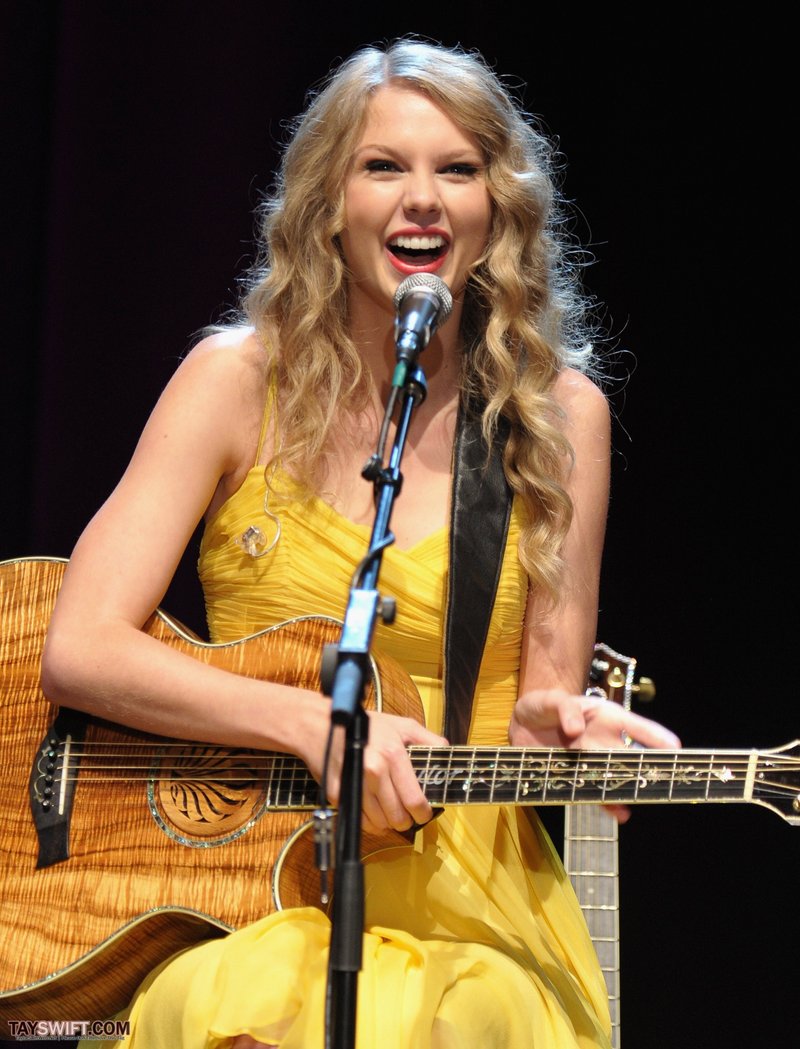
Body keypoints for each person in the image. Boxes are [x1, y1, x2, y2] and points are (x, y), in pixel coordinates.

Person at [41, 37, 680, 1049]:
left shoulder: (559, 419)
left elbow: (538, 704)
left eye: (455, 170)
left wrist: (576, 738)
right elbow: (78, 644)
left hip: (471, 908)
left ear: (496, 209)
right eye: (382, 166)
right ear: (327, 202)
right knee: (244, 1005)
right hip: (243, 888)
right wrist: (313, 725)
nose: (420, 198)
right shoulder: (234, 383)